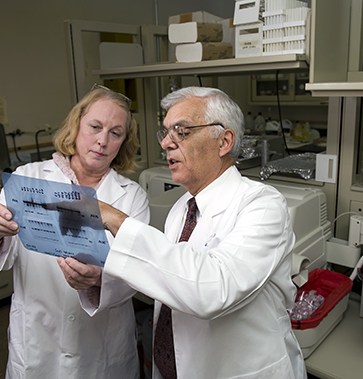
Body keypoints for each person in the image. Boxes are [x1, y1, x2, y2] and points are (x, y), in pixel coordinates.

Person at [58, 86, 307, 379]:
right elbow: (170, 282)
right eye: (165, 132)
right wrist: (96, 278)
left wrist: (115, 219)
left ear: (224, 141)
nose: (166, 143)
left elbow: (212, 291)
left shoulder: (263, 206)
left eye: (181, 131)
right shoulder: (182, 209)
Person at [0, 84, 150, 379]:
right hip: (39, 341)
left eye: (115, 133)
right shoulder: (28, 178)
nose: (102, 140)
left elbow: (138, 270)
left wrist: (100, 279)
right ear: (76, 126)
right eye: (95, 126)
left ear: (124, 142)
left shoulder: (132, 196)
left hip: (101, 345)